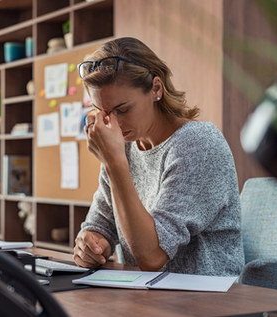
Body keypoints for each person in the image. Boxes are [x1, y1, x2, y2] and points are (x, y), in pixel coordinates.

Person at [73, 37, 244, 276]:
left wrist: (114, 163)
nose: (113, 122)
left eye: (123, 109)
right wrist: (90, 244)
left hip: (207, 302)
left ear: (156, 88)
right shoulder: (124, 147)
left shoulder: (198, 143)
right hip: (147, 298)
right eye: (102, 112)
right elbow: (101, 224)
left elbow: (152, 256)